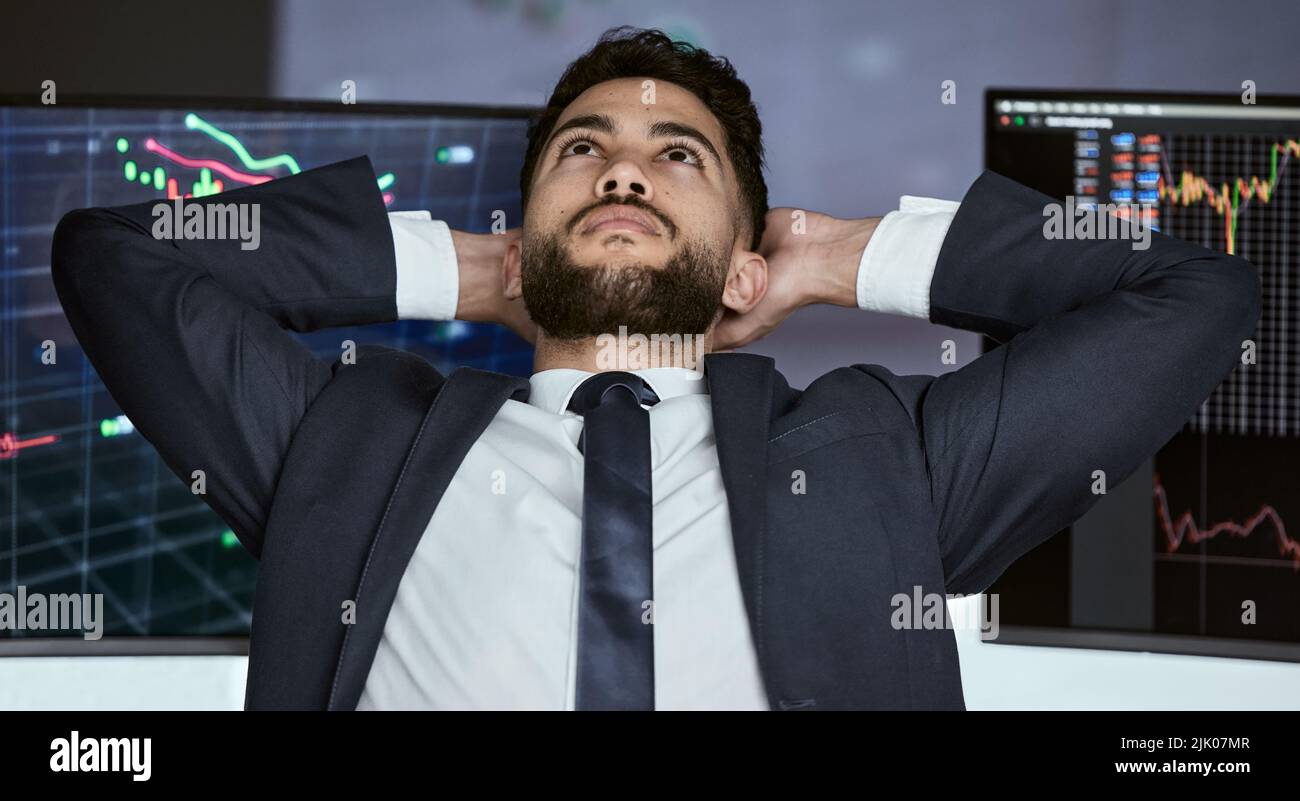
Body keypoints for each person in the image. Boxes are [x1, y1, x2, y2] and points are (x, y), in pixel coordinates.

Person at [50, 27, 1260, 710]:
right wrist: (472, 272)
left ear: (743, 264)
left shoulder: (885, 456)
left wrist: (833, 256)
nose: (623, 172)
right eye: (585, 149)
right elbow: (115, 260)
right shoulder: (347, 441)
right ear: (522, 234)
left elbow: (1189, 295)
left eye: (678, 156)